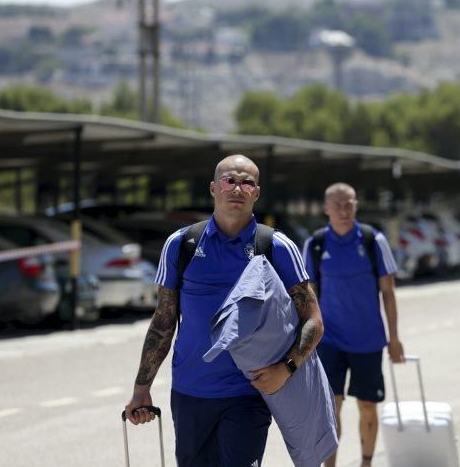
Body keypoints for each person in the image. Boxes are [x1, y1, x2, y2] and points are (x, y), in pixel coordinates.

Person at [124, 154, 323, 467]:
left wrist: (287, 368)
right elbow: (163, 323)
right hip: (191, 393)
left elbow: (312, 320)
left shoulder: (277, 247)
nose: (238, 189)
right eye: (230, 180)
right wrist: (141, 389)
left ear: (256, 193)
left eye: (247, 183)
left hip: (248, 395)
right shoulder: (181, 244)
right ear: (214, 188)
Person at [302, 183, 404, 467]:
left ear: (356, 205)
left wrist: (394, 338)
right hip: (329, 340)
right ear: (326, 209)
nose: (344, 211)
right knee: (330, 407)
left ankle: (366, 463)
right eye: (338, 205)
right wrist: (305, 341)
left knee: (368, 406)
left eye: (349, 204)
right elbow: (307, 297)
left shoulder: (373, 241)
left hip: (369, 340)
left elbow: (389, 292)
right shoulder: (316, 244)